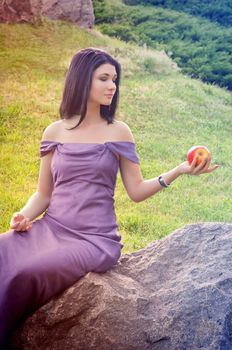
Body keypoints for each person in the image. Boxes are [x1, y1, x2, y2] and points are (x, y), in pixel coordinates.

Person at [0, 47, 219, 348]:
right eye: (104, 78)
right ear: (81, 80)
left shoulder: (119, 132)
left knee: (26, 273)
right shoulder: (55, 131)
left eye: (114, 79)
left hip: (93, 239)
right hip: (50, 228)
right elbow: (43, 193)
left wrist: (179, 170)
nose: (112, 86)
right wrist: (23, 216)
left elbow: (137, 190)